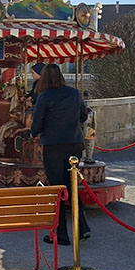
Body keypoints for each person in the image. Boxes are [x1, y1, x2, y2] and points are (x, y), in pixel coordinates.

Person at [29, 63, 90, 245]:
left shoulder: (45, 96)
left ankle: (61, 232)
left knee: (57, 188)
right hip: (74, 144)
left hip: (54, 146)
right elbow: (83, 116)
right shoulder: (73, 93)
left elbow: (37, 123)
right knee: (72, 185)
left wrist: (33, 132)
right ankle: (82, 226)